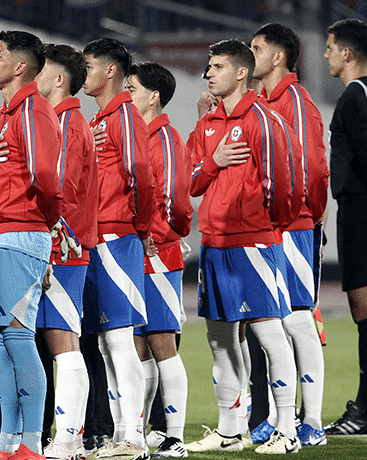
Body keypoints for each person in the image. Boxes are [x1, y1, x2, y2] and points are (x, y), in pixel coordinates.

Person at [184, 39, 301, 454]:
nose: (208, 73)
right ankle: (230, 429)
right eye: (208, 66)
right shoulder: (209, 123)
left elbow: (286, 185)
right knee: (219, 340)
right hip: (214, 245)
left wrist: (269, 226)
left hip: (253, 243)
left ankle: (287, 429)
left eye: (215, 66)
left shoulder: (263, 120)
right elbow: (191, 181)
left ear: (239, 72)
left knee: (270, 337)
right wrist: (213, 160)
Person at [248, 23, 329, 447]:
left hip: (293, 224)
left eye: (257, 48)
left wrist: (306, 217)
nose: (251, 53)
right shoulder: (261, 103)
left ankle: (311, 422)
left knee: (297, 320)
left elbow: (312, 166)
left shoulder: (294, 101)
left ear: (279, 57)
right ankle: (284, 417)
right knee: (272, 324)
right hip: (268, 227)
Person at [0, 30, 62, 460]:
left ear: (19, 67)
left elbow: (48, 179)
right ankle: (7, 441)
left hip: (22, 232)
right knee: (0, 341)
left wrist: (45, 227)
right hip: (0, 234)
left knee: (17, 337)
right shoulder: (2, 115)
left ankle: (31, 441)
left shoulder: (33, 111)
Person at [80, 37, 156, 460]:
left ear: (111, 71)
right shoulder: (100, 118)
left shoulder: (124, 114)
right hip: (96, 237)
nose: (83, 72)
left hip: (116, 237)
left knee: (120, 339)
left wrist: (139, 226)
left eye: (88, 65)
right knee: (107, 343)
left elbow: (142, 175)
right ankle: (119, 435)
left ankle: (136, 438)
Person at [123, 62, 192, 459]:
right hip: (136, 253)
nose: (126, 95)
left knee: (163, 343)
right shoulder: (136, 135)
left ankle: (175, 437)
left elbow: (175, 201)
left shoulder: (163, 137)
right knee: (138, 346)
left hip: (157, 255)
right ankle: (144, 429)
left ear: (153, 96)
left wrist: (160, 238)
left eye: (132, 88)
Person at [32, 43, 97, 460]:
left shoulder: (66, 125)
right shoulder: (60, 121)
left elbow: (57, 192)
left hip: (62, 248)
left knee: (63, 342)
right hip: (61, 244)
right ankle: (62, 438)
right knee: (57, 341)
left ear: (58, 79)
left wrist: (47, 246)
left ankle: (70, 440)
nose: (32, 78)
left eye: (40, 71)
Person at [323, 17, 367, 436]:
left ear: (347, 53)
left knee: (364, 309)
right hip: (357, 212)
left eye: (331, 46)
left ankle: (365, 411)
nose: (326, 54)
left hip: (361, 215)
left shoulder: (355, 97)